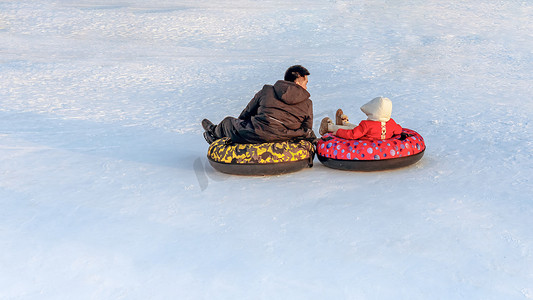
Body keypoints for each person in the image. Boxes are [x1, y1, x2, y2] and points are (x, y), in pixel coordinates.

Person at [202, 65, 316, 144]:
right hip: (286, 137)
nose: (306, 87)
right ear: (297, 82)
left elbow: (247, 112)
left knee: (228, 122)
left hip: (257, 133)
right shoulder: (308, 103)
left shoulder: (266, 91)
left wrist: (240, 125)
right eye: (305, 83)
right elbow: (307, 128)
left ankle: (213, 131)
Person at [319, 97, 403, 140]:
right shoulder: (391, 123)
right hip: (369, 135)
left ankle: (329, 127)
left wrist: (338, 133)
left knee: (353, 129)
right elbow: (399, 130)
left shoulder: (367, 124)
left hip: (361, 140)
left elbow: (353, 134)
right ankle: (344, 123)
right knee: (356, 128)